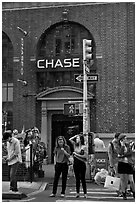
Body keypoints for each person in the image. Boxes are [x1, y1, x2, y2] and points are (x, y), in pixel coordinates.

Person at [69, 134, 88, 198]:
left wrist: (76, 155)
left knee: (82, 178)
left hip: (82, 163)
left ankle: (85, 193)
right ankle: (77, 193)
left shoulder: (84, 147)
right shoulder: (75, 146)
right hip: (76, 164)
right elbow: (70, 139)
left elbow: (85, 156)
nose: (77, 139)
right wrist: (75, 136)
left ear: (81, 139)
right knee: (77, 179)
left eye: (78, 138)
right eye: (76, 139)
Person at [117, 134, 135, 200]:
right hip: (121, 163)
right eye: (125, 139)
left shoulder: (128, 145)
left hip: (128, 163)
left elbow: (130, 153)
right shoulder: (118, 146)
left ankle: (134, 192)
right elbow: (119, 153)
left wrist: (122, 155)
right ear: (121, 140)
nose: (126, 140)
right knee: (123, 180)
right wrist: (122, 146)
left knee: (131, 180)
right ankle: (124, 193)